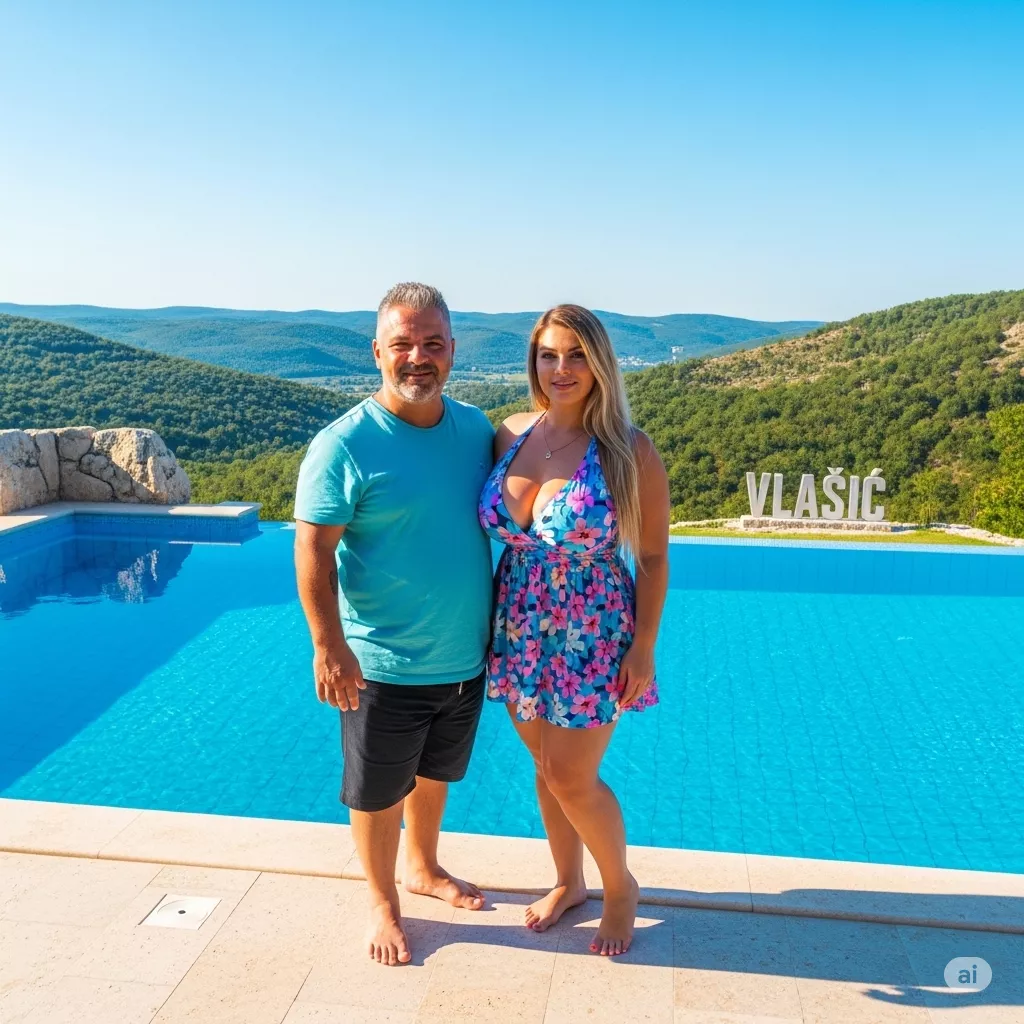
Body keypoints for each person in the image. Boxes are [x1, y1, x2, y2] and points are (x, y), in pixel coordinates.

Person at [294, 282, 494, 966]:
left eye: (432, 344)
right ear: (377, 351)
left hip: (464, 657)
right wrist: (328, 645)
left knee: (436, 773)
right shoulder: (343, 444)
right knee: (379, 792)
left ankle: (424, 867)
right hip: (383, 661)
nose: (418, 357)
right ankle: (382, 901)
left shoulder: (475, 429)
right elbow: (313, 550)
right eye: (403, 344)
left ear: (452, 351)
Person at [478, 304, 670, 956]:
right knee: (545, 765)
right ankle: (569, 882)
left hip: (591, 630)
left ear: (600, 364)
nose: (561, 368)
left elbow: (652, 557)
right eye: (548, 355)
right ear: (532, 361)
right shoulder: (509, 433)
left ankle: (621, 888)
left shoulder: (627, 450)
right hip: (520, 624)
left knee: (571, 775)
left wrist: (643, 646)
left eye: (577, 355)